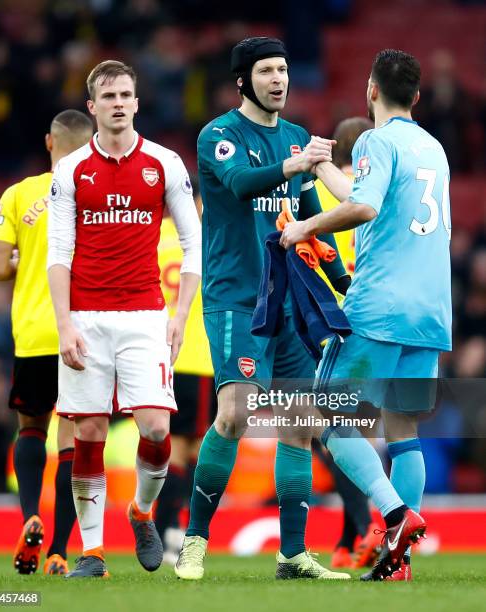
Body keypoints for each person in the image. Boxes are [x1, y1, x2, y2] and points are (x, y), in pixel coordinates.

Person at [175, 36, 353, 582]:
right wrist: (297, 162)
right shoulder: (220, 136)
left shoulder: (298, 137)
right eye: (267, 71)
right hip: (237, 298)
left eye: (284, 69)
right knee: (235, 413)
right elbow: (240, 184)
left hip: (291, 301)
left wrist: (347, 285)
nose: (279, 79)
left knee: (299, 426)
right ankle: (195, 541)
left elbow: (311, 218)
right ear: (242, 81)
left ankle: (293, 554)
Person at [281, 49, 451, 581]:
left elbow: (364, 208)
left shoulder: (378, 140)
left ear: (370, 90)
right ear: (417, 97)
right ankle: (397, 559)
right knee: (402, 428)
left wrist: (305, 228)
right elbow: (364, 193)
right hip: (430, 310)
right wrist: (322, 164)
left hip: (380, 305)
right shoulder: (433, 147)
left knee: (329, 420)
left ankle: (397, 515)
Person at [47, 60, 201, 578]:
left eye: (126, 95)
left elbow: (192, 241)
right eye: (108, 96)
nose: (118, 103)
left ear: (137, 102)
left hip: (144, 316)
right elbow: (58, 254)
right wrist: (64, 324)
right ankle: (92, 553)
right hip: (86, 317)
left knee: (157, 427)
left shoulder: (164, 163)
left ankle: (141, 510)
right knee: (88, 432)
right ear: (92, 107)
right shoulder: (71, 172)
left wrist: (179, 316)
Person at [0, 109, 94, 575]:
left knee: (30, 427)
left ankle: (30, 513)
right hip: (84, 332)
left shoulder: (18, 194)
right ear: (92, 143)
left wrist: (18, 260)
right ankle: (59, 552)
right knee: (71, 440)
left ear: (50, 142)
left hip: (33, 331)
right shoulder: (98, 192)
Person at [314, 116, 383, 570]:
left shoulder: (322, 191)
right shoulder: (383, 190)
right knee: (352, 432)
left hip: (328, 327)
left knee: (328, 432)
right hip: (378, 323)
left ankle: (365, 529)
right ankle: (351, 533)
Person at [154, 190, 217, 565]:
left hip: (163, 359)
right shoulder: (206, 241)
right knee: (188, 451)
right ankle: (166, 533)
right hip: (200, 358)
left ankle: (170, 529)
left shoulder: (154, 238)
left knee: (180, 449)